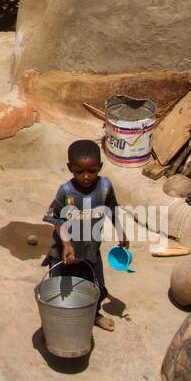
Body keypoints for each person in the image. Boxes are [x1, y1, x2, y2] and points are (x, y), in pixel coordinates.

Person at [42, 139, 128, 330]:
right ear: (69, 168)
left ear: (100, 167)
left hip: (90, 248)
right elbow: (56, 219)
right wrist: (67, 244)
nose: (86, 177)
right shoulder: (66, 192)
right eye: (79, 172)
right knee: (60, 289)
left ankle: (94, 315)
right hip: (65, 250)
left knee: (95, 287)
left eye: (92, 171)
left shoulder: (105, 187)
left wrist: (121, 232)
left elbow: (112, 209)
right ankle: (55, 323)